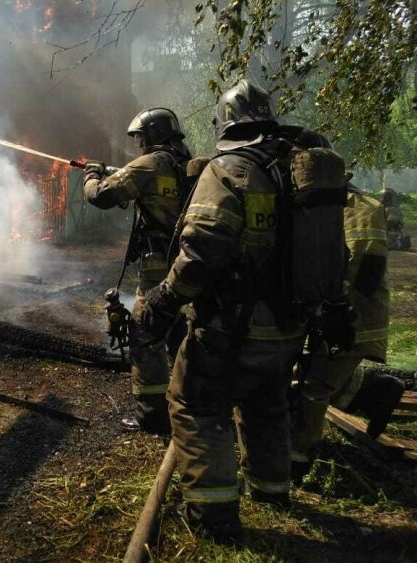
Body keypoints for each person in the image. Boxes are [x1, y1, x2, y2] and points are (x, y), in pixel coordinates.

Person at [137, 80, 352, 540]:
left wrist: (164, 300)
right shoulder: (296, 167)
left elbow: (201, 252)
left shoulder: (230, 169)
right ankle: (271, 490)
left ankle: (213, 514)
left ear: (225, 124)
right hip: (291, 326)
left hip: (233, 327)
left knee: (195, 403)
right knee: (266, 403)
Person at [290, 130, 404, 476]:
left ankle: (298, 462)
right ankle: (377, 392)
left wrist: (334, 311)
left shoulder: (362, 208)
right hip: (323, 315)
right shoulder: (306, 204)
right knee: (307, 374)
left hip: (354, 318)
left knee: (313, 387)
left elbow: (366, 271)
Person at [83, 107, 192, 435]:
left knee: (144, 331)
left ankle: (152, 416)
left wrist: (91, 174)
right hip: (187, 265)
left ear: (153, 136)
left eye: (141, 138)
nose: (139, 145)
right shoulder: (185, 165)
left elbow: (101, 195)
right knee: (179, 331)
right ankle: (188, 403)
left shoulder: (149, 165)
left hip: (158, 266)